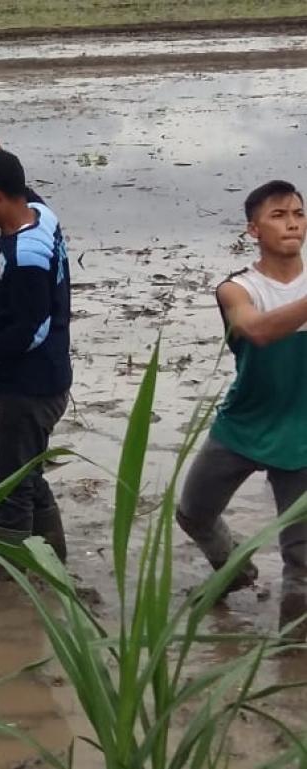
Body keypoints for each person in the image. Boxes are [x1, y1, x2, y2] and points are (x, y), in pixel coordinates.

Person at [176, 180, 307, 638]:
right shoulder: (236, 289)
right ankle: (234, 570)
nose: (291, 223)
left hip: (302, 434)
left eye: (298, 214)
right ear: (253, 229)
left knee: (301, 566)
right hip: (244, 423)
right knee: (193, 512)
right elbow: (258, 331)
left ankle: (289, 673)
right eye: (278, 215)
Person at [0, 147, 73, 578]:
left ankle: (6, 583)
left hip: (30, 386)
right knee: (28, 474)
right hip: (45, 377)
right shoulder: (42, 215)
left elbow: (31, 331)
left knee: (8, 489)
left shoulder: (26, 255)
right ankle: (53, 559)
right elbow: (26, 188)